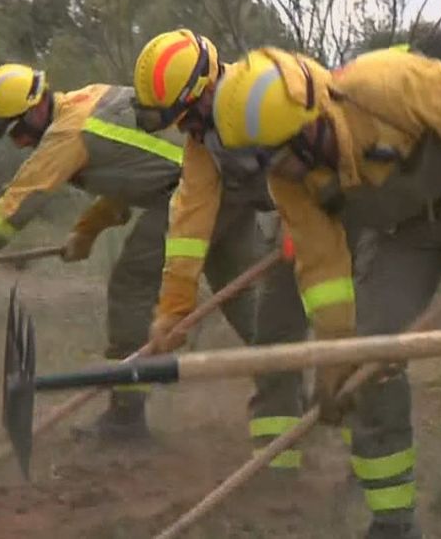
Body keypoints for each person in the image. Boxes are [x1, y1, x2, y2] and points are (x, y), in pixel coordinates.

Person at [211, 45, 441, 539]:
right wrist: (337, 353)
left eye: (279, 155)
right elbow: (323, 266)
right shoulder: (287, 179)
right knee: (372, 357)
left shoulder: (389, 84)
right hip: (403, 235)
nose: (279, 172)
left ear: (310, 123)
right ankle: (393, 522)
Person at [0, 62, 258, 443]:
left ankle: (126, 417)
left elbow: (15, 207)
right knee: (247, 297)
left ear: (35, 109)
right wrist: (89, 228)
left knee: (132, 284)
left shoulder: (68, 132)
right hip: (233, 185)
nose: (20, 143)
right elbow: (138, 169)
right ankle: (291, 390)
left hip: (202, 190)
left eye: (18, 131)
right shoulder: (88, 99)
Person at [130, 28, 310, 474]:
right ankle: (280, 471)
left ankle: (362, 449)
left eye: (186, 115)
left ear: (208, 87)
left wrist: (306, 220)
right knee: (273, 339)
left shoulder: (273, 91)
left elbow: (320, 157)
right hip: (286, 218)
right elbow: (190, 222)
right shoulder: (202, 142)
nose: (184, 128)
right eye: (176, 120)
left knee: (359, 330)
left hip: (335, 209)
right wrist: (173, 309)